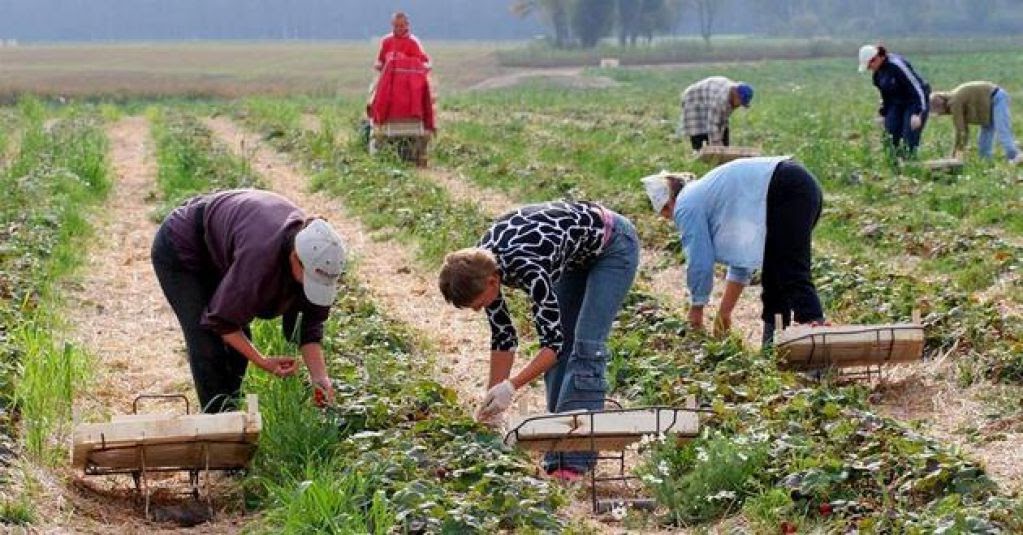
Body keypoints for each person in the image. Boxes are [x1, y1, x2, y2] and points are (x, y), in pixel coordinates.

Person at [438, 201, 639, 481]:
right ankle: (558, 442)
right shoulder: (479, 265)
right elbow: (504, 336)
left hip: (613, 245)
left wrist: (512, 386)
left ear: (493, 282)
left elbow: (552, 345)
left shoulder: (529, 266)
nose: (476, 310)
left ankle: (574, 459)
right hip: (574, 254)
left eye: (477, 304)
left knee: (584, 348)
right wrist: (492, 401)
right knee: (563, 349)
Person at [151, 189, 345, 413]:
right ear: (295, 257)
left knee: (238, 347)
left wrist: (320, 379)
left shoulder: (319, 258)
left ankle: (230, 412)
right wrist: (262, 361)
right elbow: (222, 321)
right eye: (309, 279)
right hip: (183, 248)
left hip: (225, 249)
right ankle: (218, 427)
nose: (310, 284)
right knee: (209, 343)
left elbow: (309, 323)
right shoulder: (260, 259)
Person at [641, 157, 825, 346]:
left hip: (787, 188)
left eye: (665, 215)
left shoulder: (686, 205)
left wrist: (696, 308)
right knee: (775, 277)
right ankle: (774, 352)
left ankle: (819, 353)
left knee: (791, 271)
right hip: (797, 184)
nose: (669, 220)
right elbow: (741, 260)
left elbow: (699, 260)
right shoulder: (712, 198)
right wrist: (724, 313)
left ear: (668, 204)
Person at [858, 44, 931, 159]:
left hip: (913, 101)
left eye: (869, 65)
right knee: (889, 137)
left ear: (876, 58)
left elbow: (917, 89)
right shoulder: (877, 75)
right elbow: (886, 96)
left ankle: (910, 166)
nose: (869, 69)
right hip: (896, 103)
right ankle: (895, 168)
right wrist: (883, 114)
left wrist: (918, 113)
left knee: (909, 137)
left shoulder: (896, 66)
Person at [929, 81, 1021, 164]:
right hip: (987, 107)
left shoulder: (954, 102)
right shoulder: (955, 99)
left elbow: (961, 132)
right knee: (984, 143)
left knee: (1003, 132)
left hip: (997, 98)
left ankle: (1017, 157)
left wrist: (955, 156)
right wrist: (958, 152)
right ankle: (986, 164)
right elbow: (964, 129)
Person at [677, 76, 754, 151]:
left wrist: (723, 146)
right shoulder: (720, 100)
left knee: (721, 137)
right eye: (740, 102)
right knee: (698, 131)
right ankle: (699, 155)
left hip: (709, 95)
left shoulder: (731, 96)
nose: (739, 105)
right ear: (735, 94)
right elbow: (712, 124)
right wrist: (718, 147)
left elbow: (722, 122)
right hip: (693, 99)